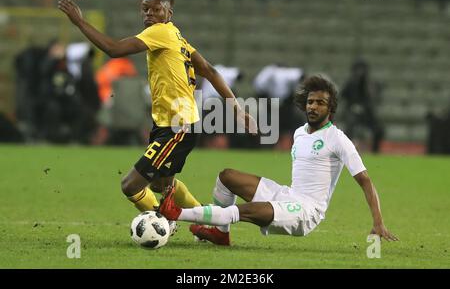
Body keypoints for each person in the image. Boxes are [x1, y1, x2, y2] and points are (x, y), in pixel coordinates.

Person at [58, 0, 257, 222]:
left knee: (130, 185)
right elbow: (210, 71)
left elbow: (113, 49)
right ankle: (209, 223)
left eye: (156, 10)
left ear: (168, 14)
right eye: (145, 9)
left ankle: (160, 223)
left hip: (177, 126)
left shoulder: (160, 33)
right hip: (172, 124)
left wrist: (80, 22)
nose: (149, 14)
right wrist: (237, 109)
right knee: (162, 185)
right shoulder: (177, 37)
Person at [158, 75, 398, 246]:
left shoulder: (338, 139)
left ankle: (176, 213)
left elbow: (365, 180)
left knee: (240, 211)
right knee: (226, 176)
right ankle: (221, 234)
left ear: (331, 108)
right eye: (310, 101)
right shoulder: (300, 132)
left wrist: (378, 222)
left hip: (306, 212)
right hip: (287, 195)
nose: (313, 106)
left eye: (320, 103)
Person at [340, 59, 384, 153]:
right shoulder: (349, 84)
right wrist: (352, 106)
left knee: (379, 129)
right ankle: (346, 151)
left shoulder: (370, 84)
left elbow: (374, 98)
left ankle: (375, 152)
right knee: (349, 128)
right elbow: (343, 96)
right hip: (352, 111)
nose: (360, 72)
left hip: (367, 113)